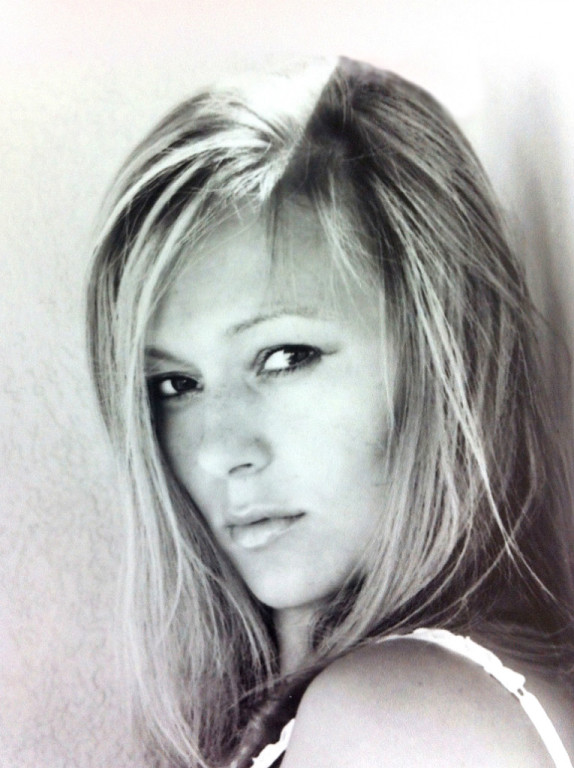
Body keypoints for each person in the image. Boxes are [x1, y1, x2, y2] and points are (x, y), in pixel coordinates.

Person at [87, 57, 574, 767]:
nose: (218, 449)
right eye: (175, 385)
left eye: (285, 356)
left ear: (444, 352)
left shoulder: (397, 722)